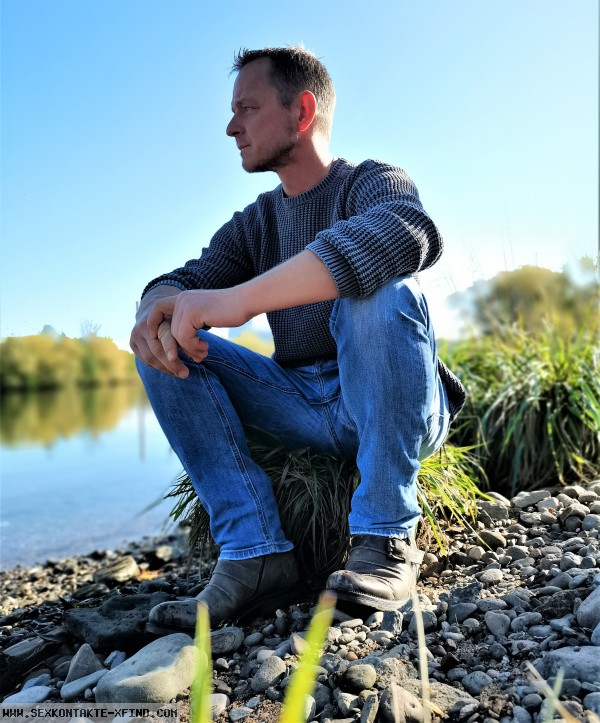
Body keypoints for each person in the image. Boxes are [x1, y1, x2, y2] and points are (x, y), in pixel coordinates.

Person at [130, 46, 465, 631]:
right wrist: (153, 308)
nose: (231, 127)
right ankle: (254, 552)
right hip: (299, 402)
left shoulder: (372, 183)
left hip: (393, 399)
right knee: (164, 336)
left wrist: (238, 301)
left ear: (302, 111)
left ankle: (385, 538)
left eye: (247, 108)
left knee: (381, 291)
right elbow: (182, 280)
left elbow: (404, 233)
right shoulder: (256, 222)